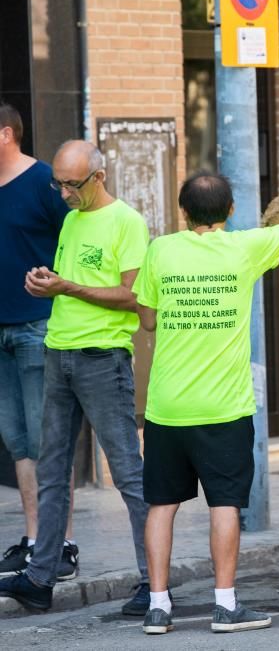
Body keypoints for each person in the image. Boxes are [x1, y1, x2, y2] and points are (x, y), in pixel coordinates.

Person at [132, 173, 279, 635]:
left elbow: (147, 320)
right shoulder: (244, 248)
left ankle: (156, 607)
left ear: (183, 212)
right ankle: (225, 606)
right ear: (230, 212)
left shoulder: (160, 251)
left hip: (166, 407)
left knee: (161, 505)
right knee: (225, 504)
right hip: (224, 409)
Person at [0, 140, 151, 615]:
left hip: (102, 359)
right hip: (58, 353)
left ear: (98, 177)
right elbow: (75, 287)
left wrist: (67, 286)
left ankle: (154, 581)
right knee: (51, 470)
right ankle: (41, 578)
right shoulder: (71, 220)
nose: (63, 193)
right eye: (58, 183)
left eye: (72, 184)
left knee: (127, 473)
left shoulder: (126, 221)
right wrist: (47, 283)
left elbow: (133, 296)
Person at [0, 103, 77, 579]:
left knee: (46, 440)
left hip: (37, 326)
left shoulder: (46, 183)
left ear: (5, 133)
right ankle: (34, 540)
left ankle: (60, 544)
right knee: (18, 441)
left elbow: (75, 244)